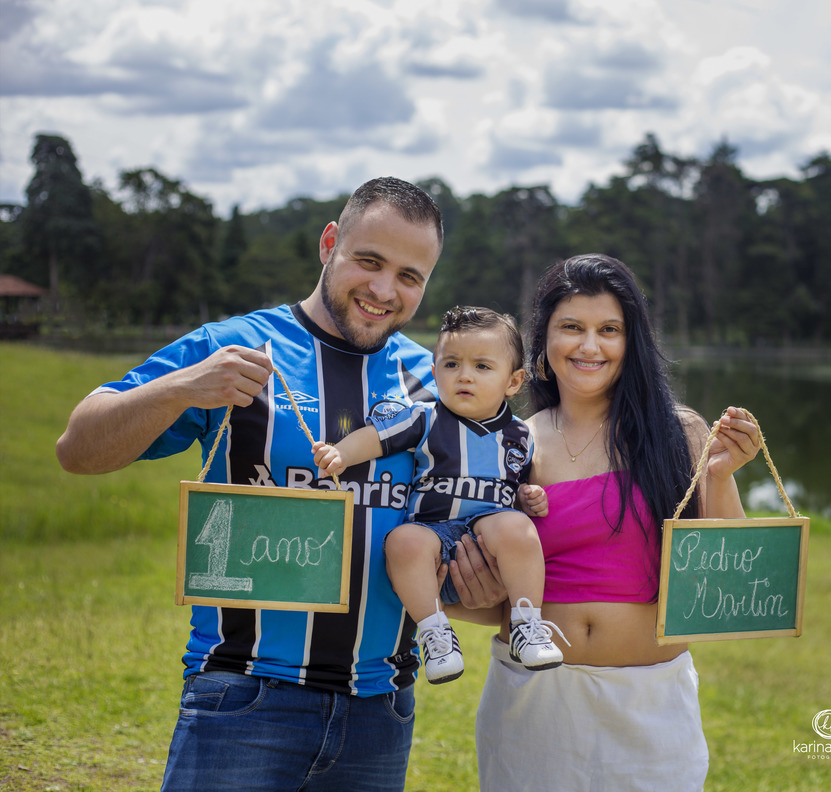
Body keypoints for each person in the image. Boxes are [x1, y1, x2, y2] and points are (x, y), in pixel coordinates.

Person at [55, 177, 502, 792]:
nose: (382, 289)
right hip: (242, 697)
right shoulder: (232, 347)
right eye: (368, 262)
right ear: (329, 244)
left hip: (381, 710)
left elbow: (476, 507)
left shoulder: (436, 380)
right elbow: (78, 449)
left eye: (409, 276)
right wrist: (181, 388)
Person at [464, 253, 762, 792]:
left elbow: (726, 584)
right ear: (544, 343)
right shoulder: (511, 443)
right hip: (533, 703)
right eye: (571, 328)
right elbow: (489, 599)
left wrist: (719, 476)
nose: (589, 346)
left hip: (650, 706)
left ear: (632, 342)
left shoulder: (681, 433)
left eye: (609, 330)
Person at [312, 305, 566, 685]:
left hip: (487, 541)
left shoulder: (522, 436)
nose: (464, 376)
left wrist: (530, 498)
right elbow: (376, 437)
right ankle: (435, 633)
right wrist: (342, 453)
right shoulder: (424, 417)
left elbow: (518, 489)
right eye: (451, 365)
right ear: (434, 373)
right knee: (401, 541)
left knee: (518, 527)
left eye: (482, 367)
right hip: (432, 542)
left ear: (513, 382)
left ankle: (526, 625)